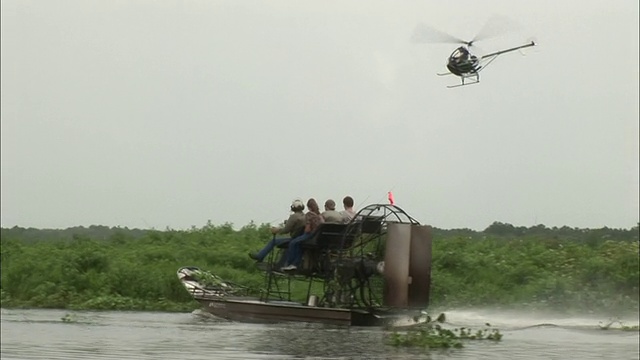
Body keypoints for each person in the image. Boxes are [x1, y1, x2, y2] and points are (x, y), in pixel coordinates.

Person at [281, 198, 324, 271]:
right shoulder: (320, 215)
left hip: (310, 235)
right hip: (318, 237)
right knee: (298, 243)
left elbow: (307, 230)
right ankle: (294, 263)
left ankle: (291, 263)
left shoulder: (309, 214)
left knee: (293, 243)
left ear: (308, 207)